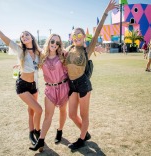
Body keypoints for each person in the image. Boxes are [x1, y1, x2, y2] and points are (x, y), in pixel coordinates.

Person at [0, 11, 43, 145]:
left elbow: (49, 57)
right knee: (39, 109)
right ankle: (37, 132)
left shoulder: (39, 52)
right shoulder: (19, 50)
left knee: (32, 111)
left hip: (34, 86)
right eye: (22, 36)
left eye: (27, 34)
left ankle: (31, 133)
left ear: (32, 37)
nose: (24, 37)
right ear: (21, 40)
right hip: (22, 86)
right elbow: (3, 36)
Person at [65, 0, 118, 150]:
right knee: (72, 114)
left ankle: (81, 139)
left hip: (83, 84)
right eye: (74, 35)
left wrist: (105, 12)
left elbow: (98, 31)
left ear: (84, 36)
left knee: (84, 114)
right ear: (72, 37)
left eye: (79, 34)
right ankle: (85, 133)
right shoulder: (68, 49)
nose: (76, 37)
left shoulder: (87, 50)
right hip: (71, 85)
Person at [29, 34, 69, 152]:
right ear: (48, 41)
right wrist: (21, 67)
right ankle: (41, 140)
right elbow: (31, 61)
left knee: (62, 111)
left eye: (57, 43)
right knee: (48, 116)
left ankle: (60, 131)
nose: (54, 44)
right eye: (52, 41)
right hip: (50, 89)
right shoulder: (42, 56)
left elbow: (75, 50)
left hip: (63, 88)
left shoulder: (63, 55)